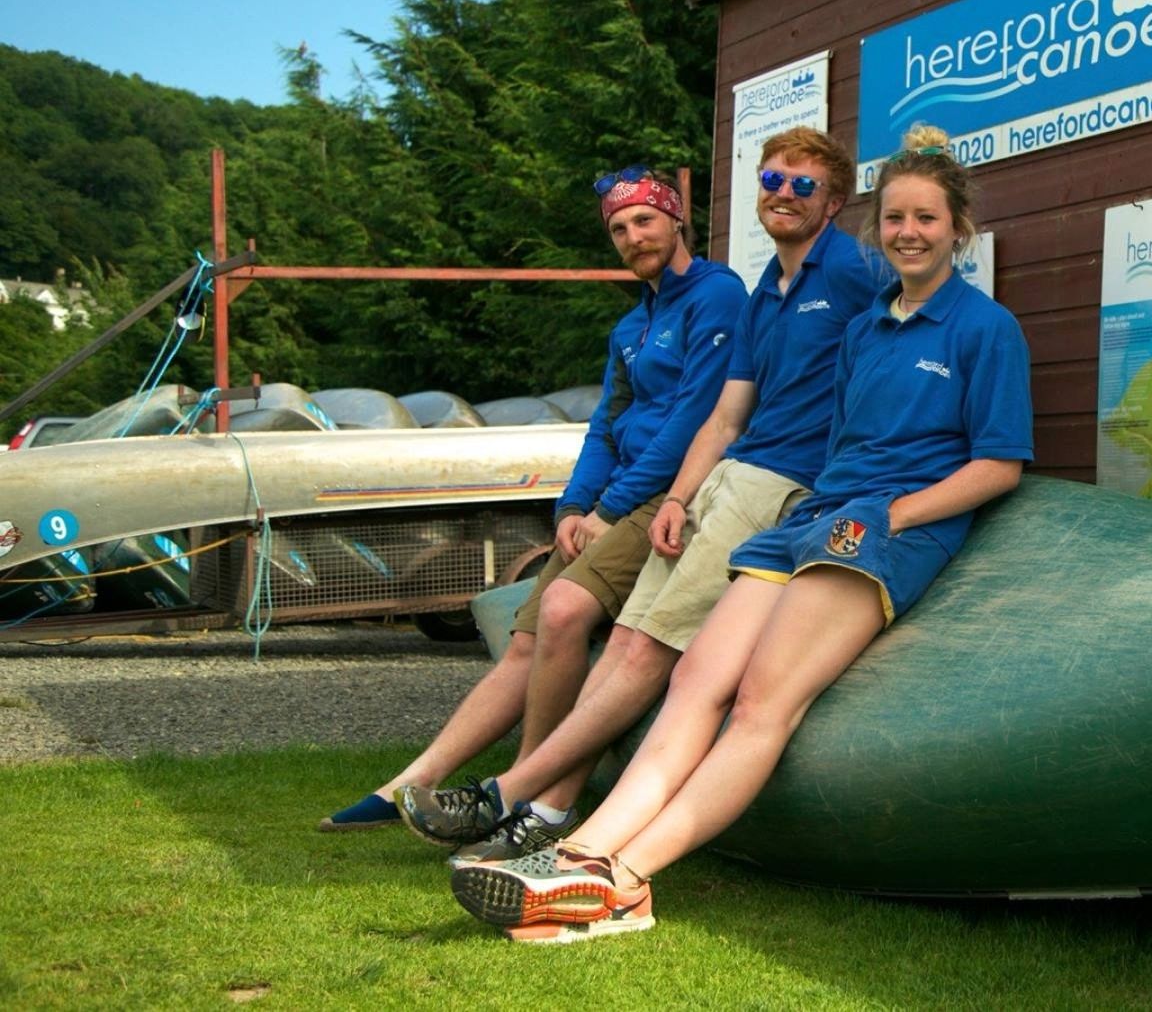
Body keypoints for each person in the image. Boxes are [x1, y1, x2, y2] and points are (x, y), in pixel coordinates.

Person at [449, 123, 1034, 943]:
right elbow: (824, 432)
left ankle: (626, 880)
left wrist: (889, 515)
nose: (908, 232)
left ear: (958, 230)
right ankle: (579, 852)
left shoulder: (984, 327)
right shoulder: (866, 326)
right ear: (879, 226)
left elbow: (998, 465)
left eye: (927, 220)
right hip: (812, 519)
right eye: (896, 217)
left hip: (886, 530)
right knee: (696, 685)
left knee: (762, 701)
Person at [392, 127, 880, 862]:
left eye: (802, 184)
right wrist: (680, 497)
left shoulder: (849, 271)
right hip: (724, 476)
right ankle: (549, 804)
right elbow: (723, 416)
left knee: (650, 648)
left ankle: (517, 792)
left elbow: (911, 332)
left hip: (783, 485)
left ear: (834, 200)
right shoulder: (762, 292)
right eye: (773, 181)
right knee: (622, 639)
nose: (784, 194)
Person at [320, 169, 745, 838]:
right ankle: (414, 778)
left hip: (670, 492)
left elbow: (696, 417)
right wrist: (574, 506)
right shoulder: (633, 325)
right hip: (616, 495)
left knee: (565, 606)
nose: (633, 237)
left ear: (676, 220)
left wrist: (611, 509)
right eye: (618, 229)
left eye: (644, 221)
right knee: (526, 639)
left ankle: (518, 793)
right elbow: (607, 423)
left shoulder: (716, 294)